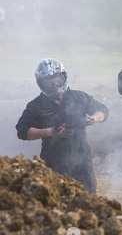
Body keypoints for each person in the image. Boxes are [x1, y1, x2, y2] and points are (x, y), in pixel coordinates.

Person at [16, 58, 109, 193]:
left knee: (88, 203)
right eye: (49, 81)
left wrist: (90, 120)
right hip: (53, 165)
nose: (54, 84)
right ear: (41, 83)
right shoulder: (35, 105)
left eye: (57, 79)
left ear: (63, 77)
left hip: (83, 163)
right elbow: (22, 131)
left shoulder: (79, 96)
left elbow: (103, 111)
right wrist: (51, 132)